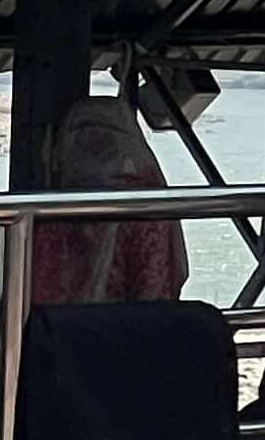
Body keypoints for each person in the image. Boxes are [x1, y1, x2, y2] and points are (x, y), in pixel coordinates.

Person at [26, 96, 189, 307]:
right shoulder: (149, 207)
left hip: (57, 332)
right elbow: (156, 291)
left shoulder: (51, 210)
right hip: (123, 330)